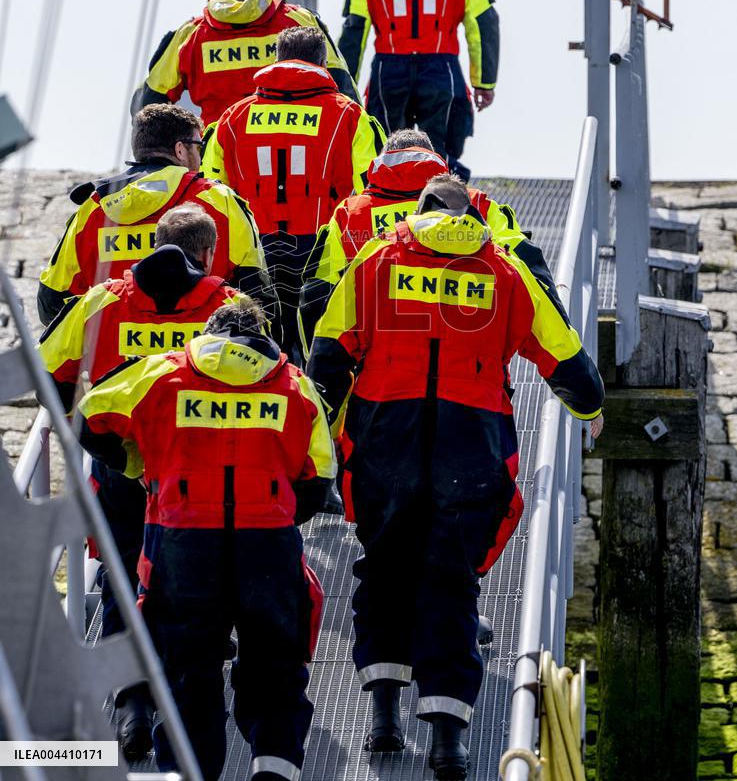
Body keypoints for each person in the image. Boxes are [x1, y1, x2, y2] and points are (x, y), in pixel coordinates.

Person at [306, 175, 604, 779]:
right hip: (473, 441)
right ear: (472, 214)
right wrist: (590, 410)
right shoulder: (505, 269)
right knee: (452, 579)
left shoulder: (377, 257)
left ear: (416, 213)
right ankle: (449, 739)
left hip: (386, 433)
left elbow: (329, 354)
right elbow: (565, 358)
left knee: (384, 567)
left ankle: (385, 715)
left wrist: (320, 445)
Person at [78, 298, 337, 781]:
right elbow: (318, 481)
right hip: (267, 543)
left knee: (187, 670)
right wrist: (276, 511)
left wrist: (139, 465)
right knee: (276, 668)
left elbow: (89, 416)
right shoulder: (295, 385)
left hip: (182, 543)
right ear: (263, 338)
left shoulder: (160, 373)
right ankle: (272, 771)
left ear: (209, 333)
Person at [38, 203, 248, 760]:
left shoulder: (102, 302)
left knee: (121, 575)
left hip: (119, 465)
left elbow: (48, 373)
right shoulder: (227, 307)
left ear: (152, 244)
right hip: (198, 472)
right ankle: (180, 715)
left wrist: (85, 427)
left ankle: (133, 705)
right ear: (206, 254)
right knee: (197, 583)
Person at [202, 26, 385, 365]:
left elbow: (211, 197)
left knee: (261, 356)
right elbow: (371, 193)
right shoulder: (349, 115)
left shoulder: (232, 117)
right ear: (322, 62)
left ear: (276, 60)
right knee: (322, 361)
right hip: (321, 257)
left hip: (254, 257)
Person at [37, 103, 277, 330]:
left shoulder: (94, 207)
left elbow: (51, 302)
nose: (200, 155)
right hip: (203, 365)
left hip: (118, 371)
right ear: (181, 149)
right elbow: (257, 294)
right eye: (198, 146)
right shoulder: (218, 200)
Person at [299, 128, 535, 356]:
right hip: (472, 372)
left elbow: (315, 299)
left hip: (375, 378)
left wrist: (322, 375)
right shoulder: (477, 205)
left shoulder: (349, 215)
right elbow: (528, 270)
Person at [337, 0, 499, 173]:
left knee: (386, 156)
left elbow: (354, 32)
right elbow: (483, 21)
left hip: (389, 69)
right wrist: (484, 82)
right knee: (439, 159)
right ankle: (438, 211)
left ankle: (389, 211)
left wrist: (343, 90)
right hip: (442, 68)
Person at [131, 0, 359, 127]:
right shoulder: (299, 20)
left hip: (218, 153)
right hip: (295, 148)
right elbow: (342, 83)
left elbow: (151, 99)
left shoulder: (192, 34)